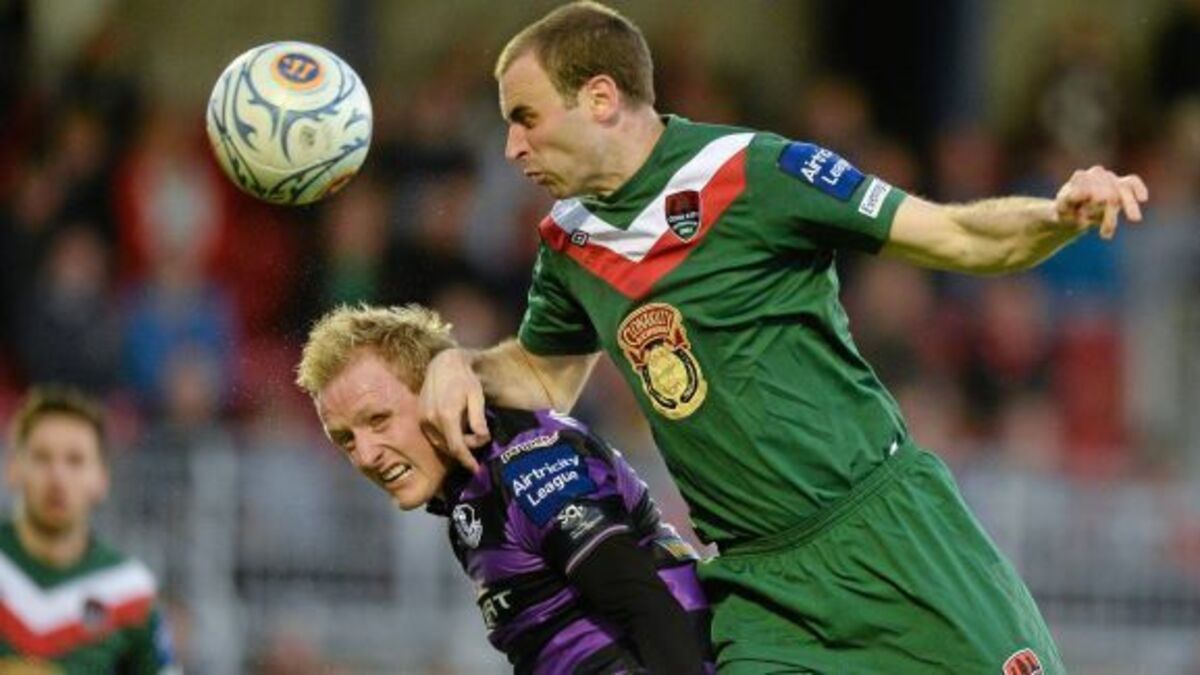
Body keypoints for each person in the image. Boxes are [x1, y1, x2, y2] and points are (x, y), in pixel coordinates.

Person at [418, 2, 1151, 673]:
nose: (511, 147)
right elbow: (544, 377)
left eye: (526, 117)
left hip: (889, 537)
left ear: (601, 98)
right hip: (762, 590)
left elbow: (957, 235)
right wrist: (457, 364)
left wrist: (1055, 215)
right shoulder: (569, 245)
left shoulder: (755, 172)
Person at [295, 304, 713, 674]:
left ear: (434, 396)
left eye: (378, 420)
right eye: (346, 439)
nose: (365, 455)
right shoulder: (469, 489)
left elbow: (646, 604)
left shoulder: (527, 465)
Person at [0, 385, 178, 673]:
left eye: (75, 461)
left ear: (102, 479)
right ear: (13, 468)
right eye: (42, 457)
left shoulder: (128, 592)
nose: (57, 477)